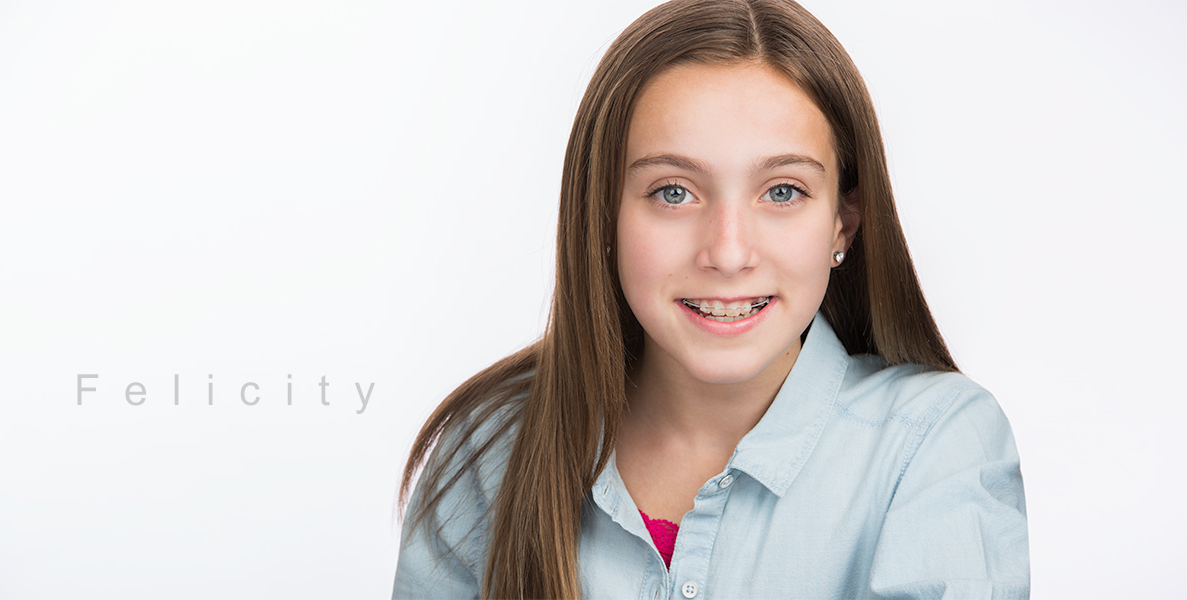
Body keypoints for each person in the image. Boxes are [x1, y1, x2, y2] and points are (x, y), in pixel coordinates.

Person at [392, 0, 1030, 598]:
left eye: (782, 192)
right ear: (602, 217)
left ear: (844, 222)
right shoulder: (489, 451)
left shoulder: (935, 446)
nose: (727, 253)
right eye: (674, 192)